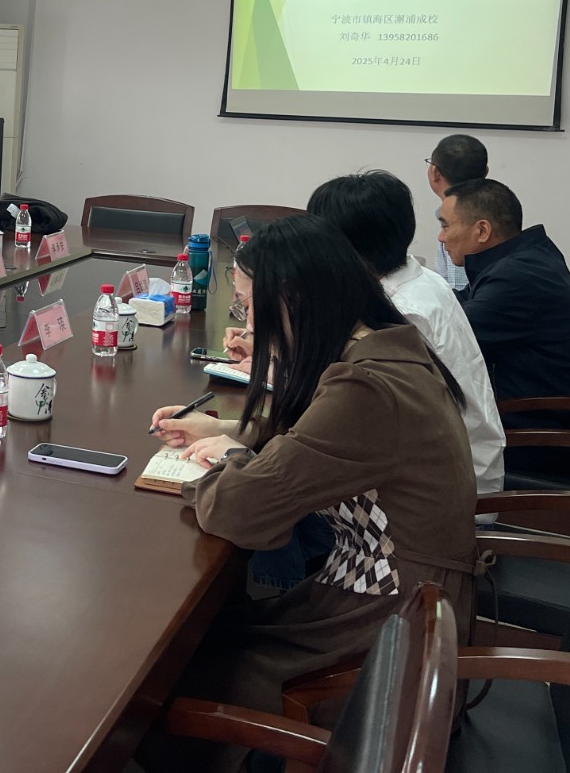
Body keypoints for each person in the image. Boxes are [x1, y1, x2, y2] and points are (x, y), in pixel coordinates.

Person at [140, 217, 478, 772]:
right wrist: (230, 432)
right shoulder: (382, 348)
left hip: (389, 628)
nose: (245, 322)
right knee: (205, 634)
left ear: (292, 300)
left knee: (164, 679)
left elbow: (240, 511)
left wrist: (227, 463)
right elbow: (319, 443)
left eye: (247, 306)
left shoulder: (366, 388)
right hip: (394, 595)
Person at [307, 171, 505, 496]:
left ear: (343, 246)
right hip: (450, 459)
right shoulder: (419, 277)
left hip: (446, 489)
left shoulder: (402, 311)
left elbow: (348, 408)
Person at [438, 177, 570, 474]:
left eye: (446, 226)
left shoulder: (517, 277)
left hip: (540, 440)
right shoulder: (523, 258)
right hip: (542, 416)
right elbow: (462, 305)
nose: (441, 237)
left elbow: (446, 339)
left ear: (482, 230)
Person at [425, 133, 486, 291]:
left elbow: (458, 290)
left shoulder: (462, 222)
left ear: (435, 173)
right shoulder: (493, 211)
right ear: (485, 173)